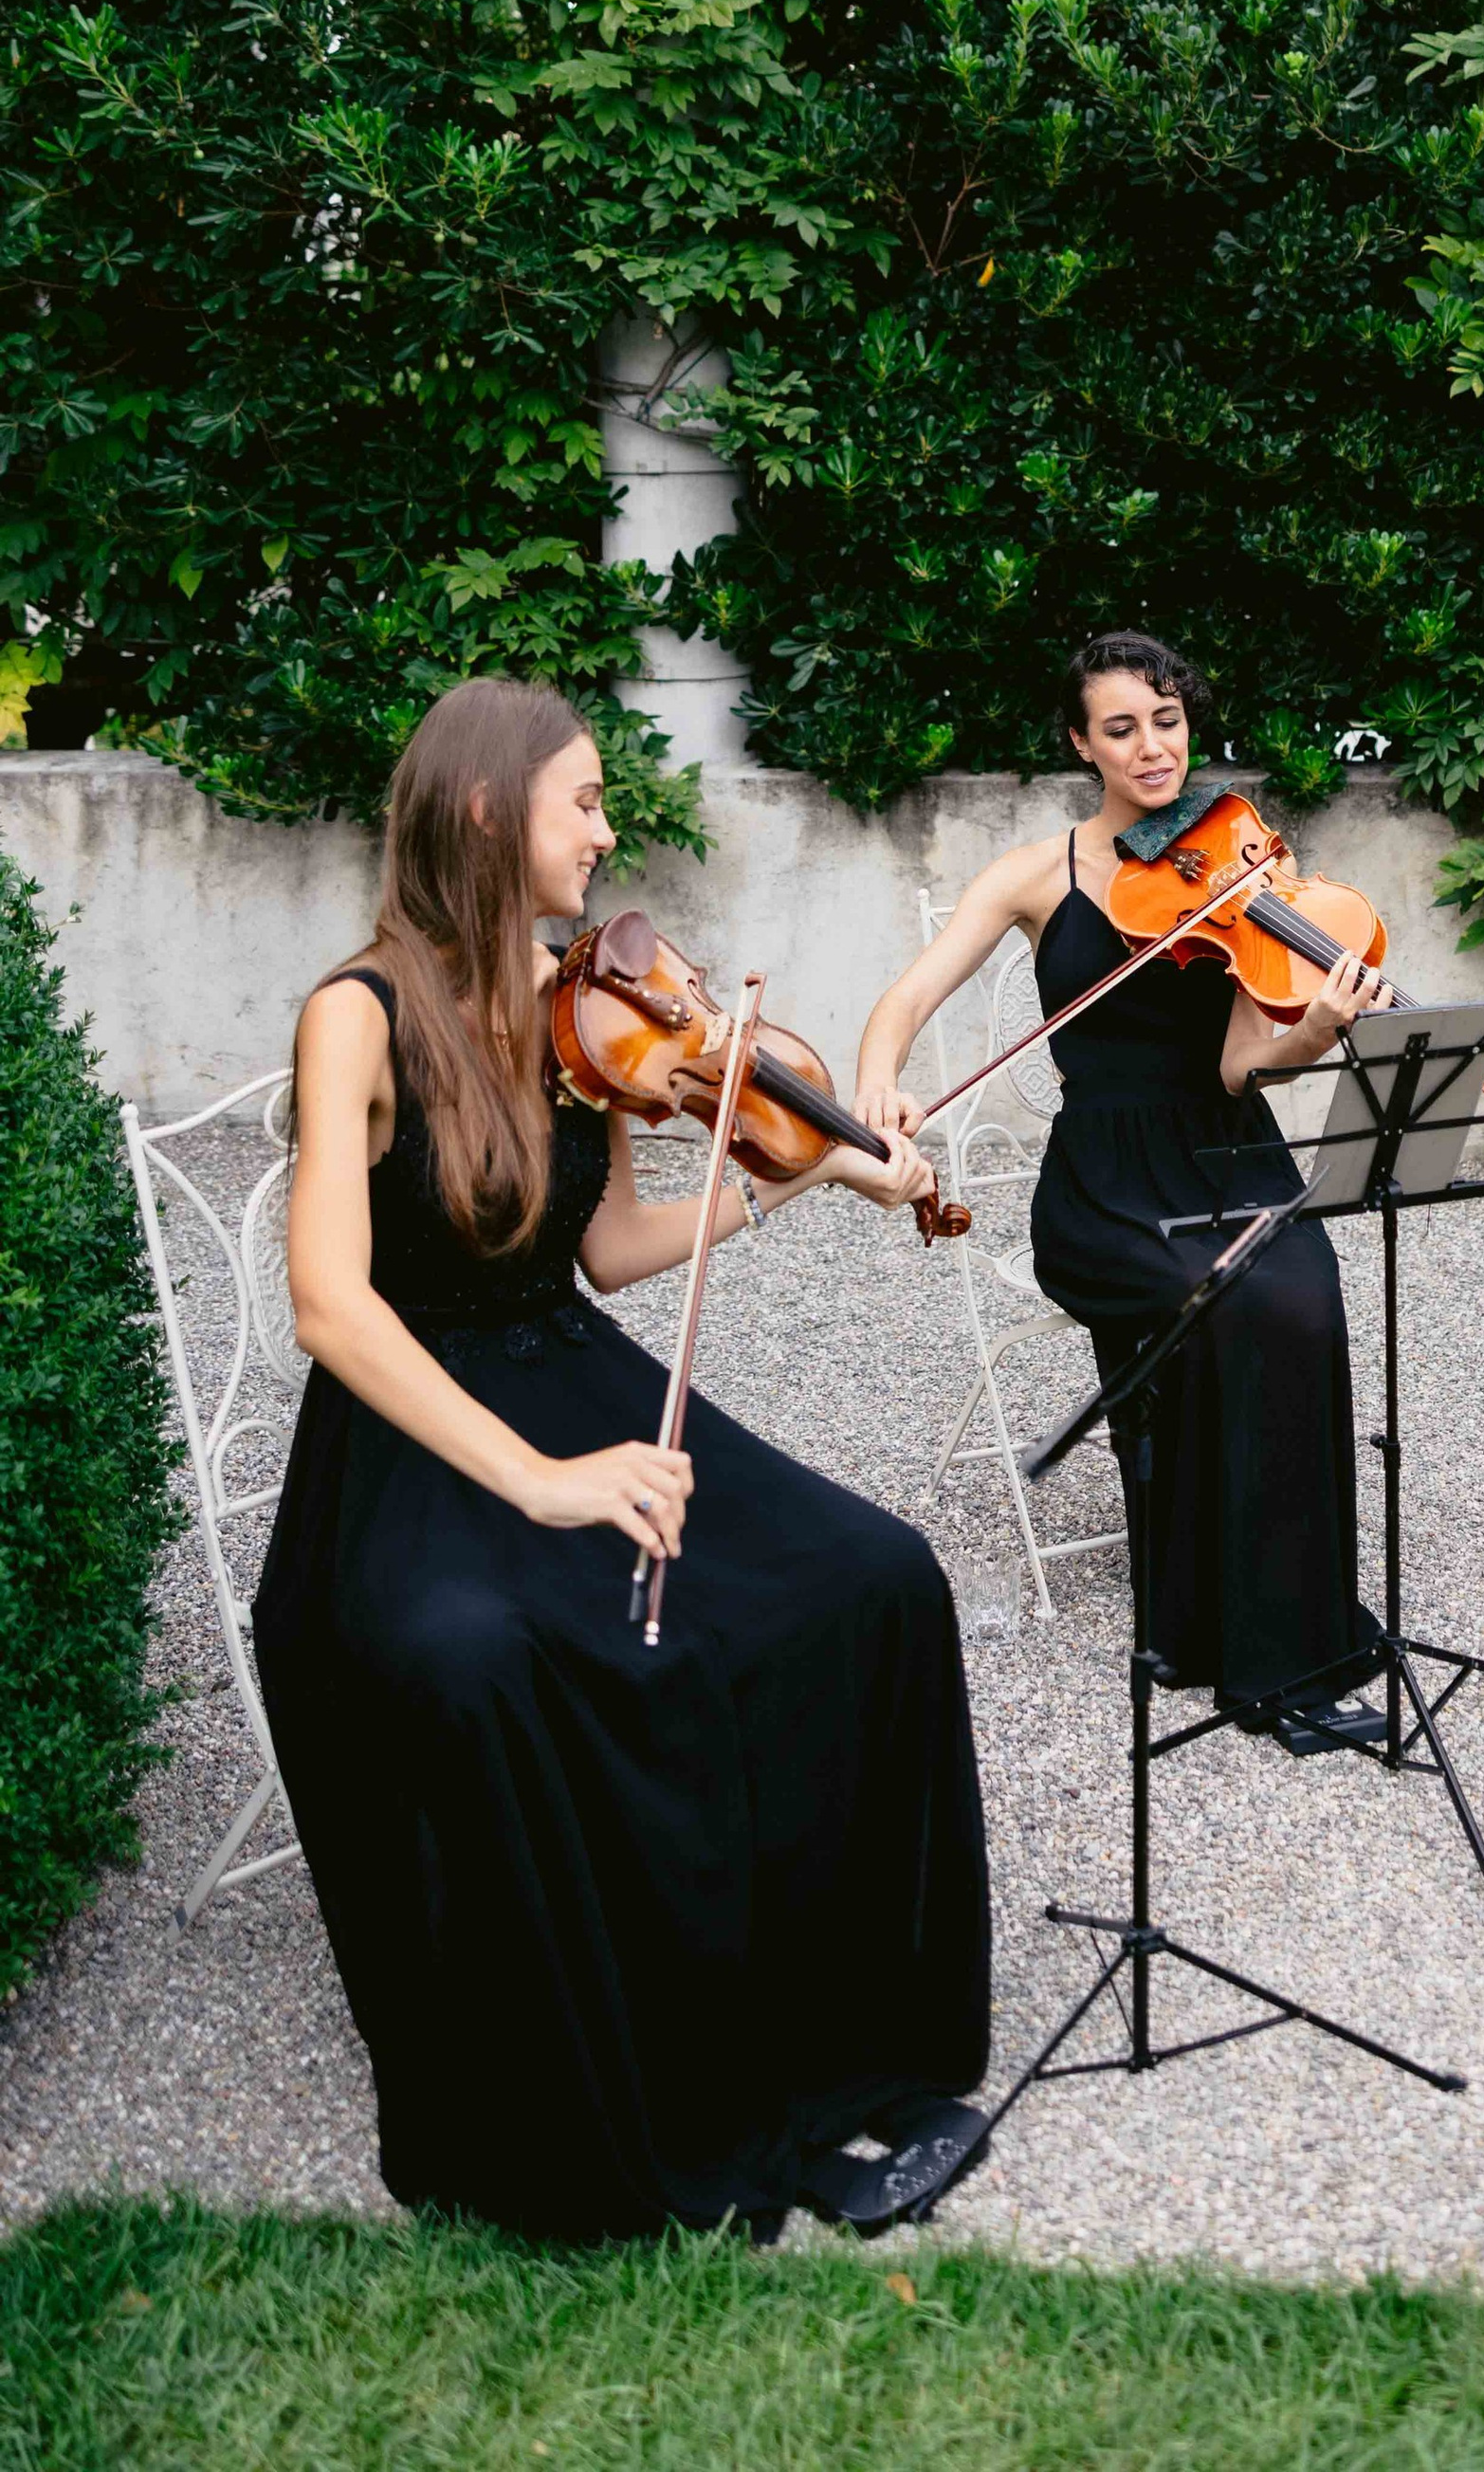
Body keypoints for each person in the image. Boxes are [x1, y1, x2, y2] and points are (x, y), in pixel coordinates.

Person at [254, 677, 991, 2244]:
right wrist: (540, 1482)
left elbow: (609, 1250)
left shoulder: (584, 1006)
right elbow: (331, 1301)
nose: (605, 834)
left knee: (871, 1577)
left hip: (571, 1370)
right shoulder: (358, 1013)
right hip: (412, 1438)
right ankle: (617, 2090)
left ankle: (833, 2047)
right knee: (489, 1659)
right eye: (580, 802)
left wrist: (805, 1175)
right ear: (480, 811)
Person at [855, 631, 1385, 1750]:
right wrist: (878, 1082)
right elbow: (901, 1004)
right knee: (1231, 1304)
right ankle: (1228, 1637)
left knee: (1303, 1293)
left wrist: (1320, 1028)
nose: (1153, 748)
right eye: (1122, 728)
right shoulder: (1034, 874)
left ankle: (1280, 1620)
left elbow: (1246, 1062)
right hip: (1104, 1180)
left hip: (1230, 1150)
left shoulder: (1239, 862)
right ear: (1079, 743)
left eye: (1167, 721)